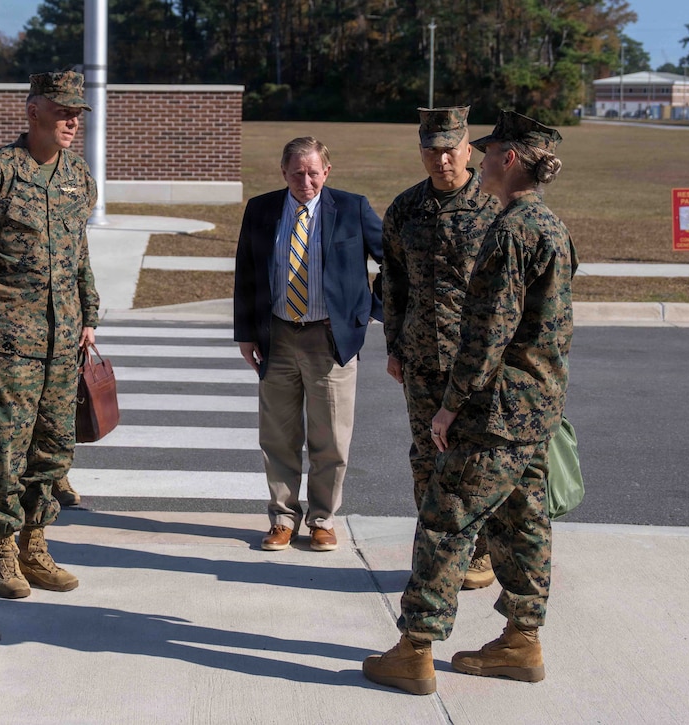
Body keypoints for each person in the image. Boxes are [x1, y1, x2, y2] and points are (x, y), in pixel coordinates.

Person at [362, 111, 577, 695]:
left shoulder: (509, 229)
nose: (474, 161)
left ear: (510, 158)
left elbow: (489, 333)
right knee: (522, 516)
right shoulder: (549, 224)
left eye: (484, 153)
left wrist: (450, 405)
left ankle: (415, 650)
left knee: (445, 517)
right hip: (535, 404)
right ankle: (522, 639)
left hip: (494, 405)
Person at [0, 70, 99, 599]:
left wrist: (88, 316)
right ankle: (3, 553)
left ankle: (36, 545)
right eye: (62, 110)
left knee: (53, 448)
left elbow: (79, 255)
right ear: (33, 111)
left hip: (63, 341)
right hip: (10, 342)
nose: (72, 120)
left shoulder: (78, 177)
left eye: (78, 112)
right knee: (6, 446)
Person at [234, 136, 383, 553]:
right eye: (297, 173)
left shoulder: (352, 208)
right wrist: (245, 333)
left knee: (330, 438)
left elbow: (396, 261)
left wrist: (370, 310)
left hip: (331, 339)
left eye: (313, 172)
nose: (306, 181)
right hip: (277, 336)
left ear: (327, 172)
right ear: (284, 173)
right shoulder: (262, 209)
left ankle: (322, 519)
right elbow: (246, 272)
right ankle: (283, 517)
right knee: (278, 436)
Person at [380, 106, 501, 590]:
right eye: (431, 150)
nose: (441, 160)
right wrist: (394, 346)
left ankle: (481, 554)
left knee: (479, 463)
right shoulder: (406, 209)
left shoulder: (495, 206)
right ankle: (435, 557)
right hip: (422, 361)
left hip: (478, 365)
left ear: (468, 149)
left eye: (450, 149)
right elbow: (393, 283)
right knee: (427, 460)